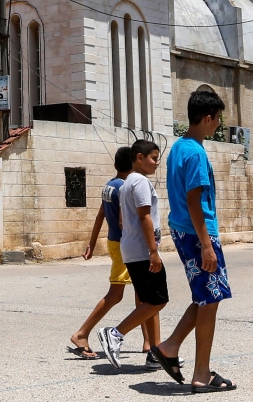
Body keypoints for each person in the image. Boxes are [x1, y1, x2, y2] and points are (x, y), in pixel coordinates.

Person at [150, 90, 236, 392]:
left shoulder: (178, 148)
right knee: (210, 301)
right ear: (209, 117)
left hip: (184, 230)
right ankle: (201, 373)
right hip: (199, 233)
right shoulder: (196, 153)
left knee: (205, 298)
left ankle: (170, 347)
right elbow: (194, 200)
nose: (219, 125)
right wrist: (208, 244)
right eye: (218, 119)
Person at [69, 147, 159, 367]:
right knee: (117, 293)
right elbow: (122, 220)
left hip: (114, 242)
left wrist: (91, 243)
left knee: (142, 293)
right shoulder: (126, 186)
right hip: (125, 245)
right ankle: (82, 333)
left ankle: (149, 343)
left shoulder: (110, 185)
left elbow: (101, 215)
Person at [98, 139, 168, 369]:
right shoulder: (140, 182)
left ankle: (155, 353)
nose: (157, 163)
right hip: (142, 251)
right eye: (154, 158)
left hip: (133, 247)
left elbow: (121, 218)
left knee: (150, 300)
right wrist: (154, 251)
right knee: (157, 300)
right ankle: (115, 334)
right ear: (139, 158)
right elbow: (144, 216)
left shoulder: (128, 182)